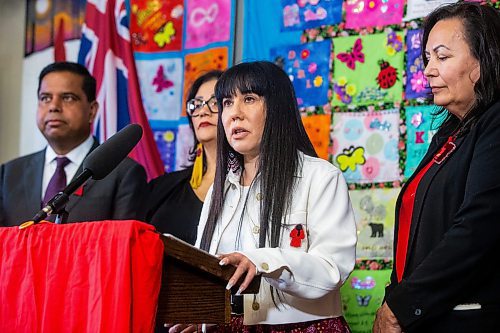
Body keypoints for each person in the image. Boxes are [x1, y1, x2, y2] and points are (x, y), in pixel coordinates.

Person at [191, 61, 356, 332]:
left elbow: (332, 269)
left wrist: (263, 261)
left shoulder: (321, 177)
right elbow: (205, 267)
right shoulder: (219, 191)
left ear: (277, 108)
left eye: (249, 99)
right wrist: (199, 318)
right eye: (227, 103)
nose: (235, 114)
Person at [373, 3, 500, 333]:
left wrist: (400, 306)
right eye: (427, 58)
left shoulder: (496, 123)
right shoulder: (451, 132)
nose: (428, 70)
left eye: (442, 57)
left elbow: (478, 230)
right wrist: (393, 298)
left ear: (483, 61)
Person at [0, 62, 147, 227]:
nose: (54, 107)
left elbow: (124, 245)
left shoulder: (125, 174)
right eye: (45, 98)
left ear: (92, 110)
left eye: (68, 98)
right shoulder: (9, 173)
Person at [146, 70, 222, 245]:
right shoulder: (162, 189)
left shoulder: (252, 189)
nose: (203, 111)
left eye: (215, 102)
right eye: (197, 104)